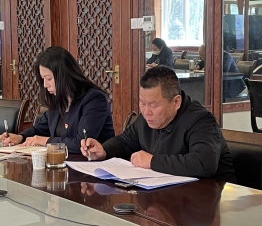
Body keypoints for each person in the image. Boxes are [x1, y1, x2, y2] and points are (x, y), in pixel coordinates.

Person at [81, 66, 235, 180]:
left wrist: (153, 161)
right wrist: (104, 150)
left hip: (209, 201)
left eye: (153, 105)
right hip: (167, 194)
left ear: (176, 102)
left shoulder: (201, 121)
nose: (146, 111)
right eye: (142, 103)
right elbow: (125, 141)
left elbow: (204, 164)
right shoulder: (146, 118)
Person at [2, 46, 115, 150]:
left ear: (64, 76)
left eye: (49, 78)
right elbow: (40, 129)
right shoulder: (58, 97)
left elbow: (81, 143)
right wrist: (21, 137)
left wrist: (45, 141)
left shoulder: (94, 99)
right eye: (43, 79)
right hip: (62, 161)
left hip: (90, 163)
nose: (45, 85)